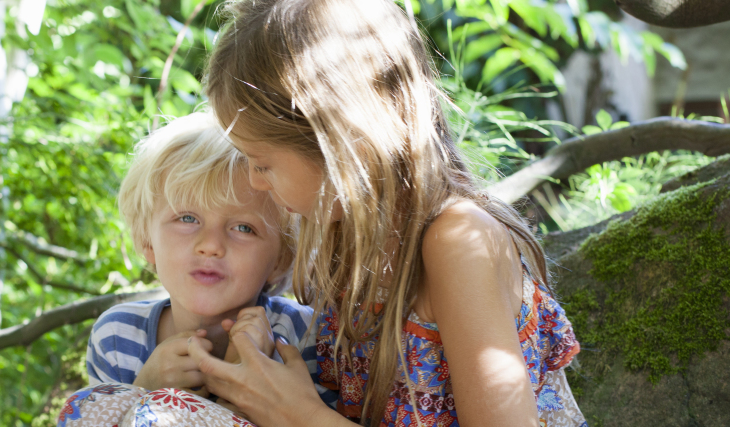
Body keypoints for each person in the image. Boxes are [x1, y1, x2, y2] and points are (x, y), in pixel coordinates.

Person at [179, 0, 588, 426]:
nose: (256, 181)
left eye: (262, 163)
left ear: (343, 144)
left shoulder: (458, 242)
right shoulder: (347, 238)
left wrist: (297, 414)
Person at [57, 112, 328, 427]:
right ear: (147, 240)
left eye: (243, 227)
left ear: (280, 260)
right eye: (187, 218)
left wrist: (253, 388)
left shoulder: (304, 336)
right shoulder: (117, 336)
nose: (210, 245)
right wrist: (144, 388)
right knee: (86, 409)